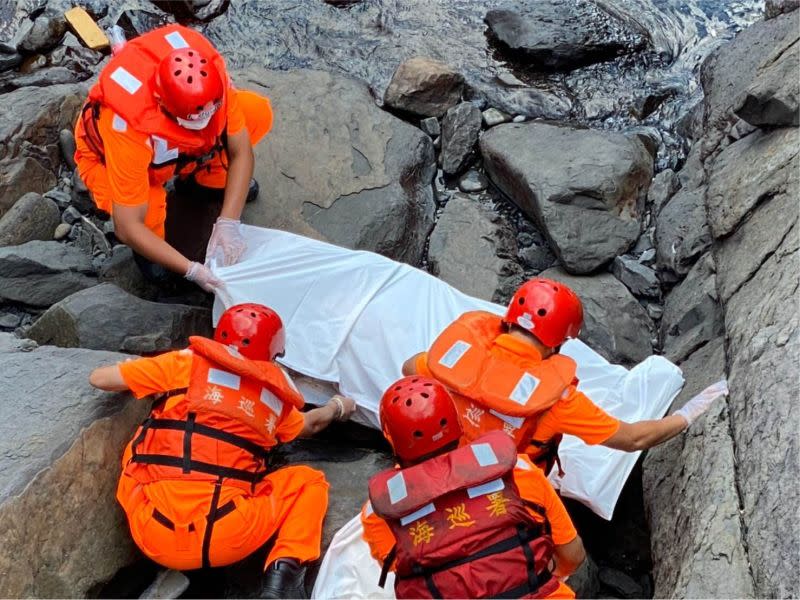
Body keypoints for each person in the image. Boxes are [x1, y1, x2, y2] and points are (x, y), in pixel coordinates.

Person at [89, 303, 356, 598]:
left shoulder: (183, 364)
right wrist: (338, 406)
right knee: (309, 482)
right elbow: (309, 426)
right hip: (229, 535)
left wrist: (133, 370)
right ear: (273, 354)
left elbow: (100, 379)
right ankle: (283, 581)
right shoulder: (275, 399)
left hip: (152, 532)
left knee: (139, 445)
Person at [402, 278, 725, 474]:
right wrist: (687, 415)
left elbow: (408, 369)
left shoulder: (448, 360)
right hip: (504, 486)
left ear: (511, 318)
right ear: (559, 341)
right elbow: (632, 439)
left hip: (435, 470)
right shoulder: (558, 401)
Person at [74, 24, 273, 292]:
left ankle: (202, 182)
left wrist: (229, 222)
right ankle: (151, 256)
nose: (207, 125)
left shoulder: (211, 82)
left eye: (210, 116)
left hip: (170, 153)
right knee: (148, 215)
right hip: (112, 162)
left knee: (256, 113)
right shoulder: (126, 127)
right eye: (197, 122)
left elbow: (241, 152)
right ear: (163, 105)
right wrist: (191, 270)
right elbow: (127, 226)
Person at [362, 376, 586, 599]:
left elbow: (405, 570)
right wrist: (546, 575)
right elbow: (573, 555)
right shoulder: (519, 470)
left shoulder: (380, 511)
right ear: (458, 423)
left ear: (392, 440)